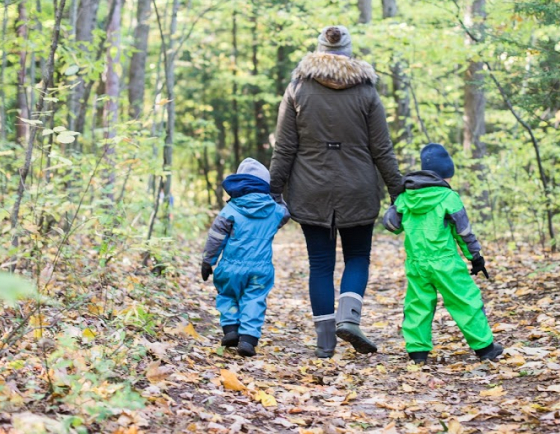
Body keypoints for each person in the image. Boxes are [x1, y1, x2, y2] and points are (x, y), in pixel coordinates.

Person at [270, 25, 403, 358]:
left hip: (310, 189)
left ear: (318, 51)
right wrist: (398, 192)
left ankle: (325, 342)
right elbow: (382, 149)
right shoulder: (366, 91)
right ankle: (349, 319)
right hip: (358, 187)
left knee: (320, 264)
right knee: (357, 257)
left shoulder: (297, 88)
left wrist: (274, 193)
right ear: (349, 52)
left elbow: (284, 148)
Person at [382, 143, 503, 364]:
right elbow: (463, 232)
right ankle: (485, 348)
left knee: (417, 305)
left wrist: (395, 203)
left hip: (417, 264)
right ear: (443, 175)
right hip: (446, 262)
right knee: (465, 300)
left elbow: (391, 225)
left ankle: (418, 352)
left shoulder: (406, 198)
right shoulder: (448, 197)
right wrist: (475, 257)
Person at [200, 158, 290, 357]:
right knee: (254, 300)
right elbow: (285, 213)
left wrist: (208, 261)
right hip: (260, 269)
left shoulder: (230, 210)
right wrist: (277, 195)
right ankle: (248, 339)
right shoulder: (274, 211)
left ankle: (231, 330)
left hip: (230, 267)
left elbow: (215, 238)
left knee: (227, 295)